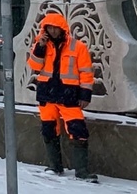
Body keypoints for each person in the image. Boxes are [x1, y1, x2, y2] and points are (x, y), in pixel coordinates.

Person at [26, 12, 98, 182]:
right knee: (49, 130)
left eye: (55, 28)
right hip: (47, 95)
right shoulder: (41, 45)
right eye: (49, 28)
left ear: (62, 29)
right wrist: (40, 47)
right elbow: (34, 65)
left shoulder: (78, 47)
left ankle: (81, 171)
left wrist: (85, 95)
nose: (52, 31)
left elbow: (86, 73)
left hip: (68, 96)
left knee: (78, 130)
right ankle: (54, 166)